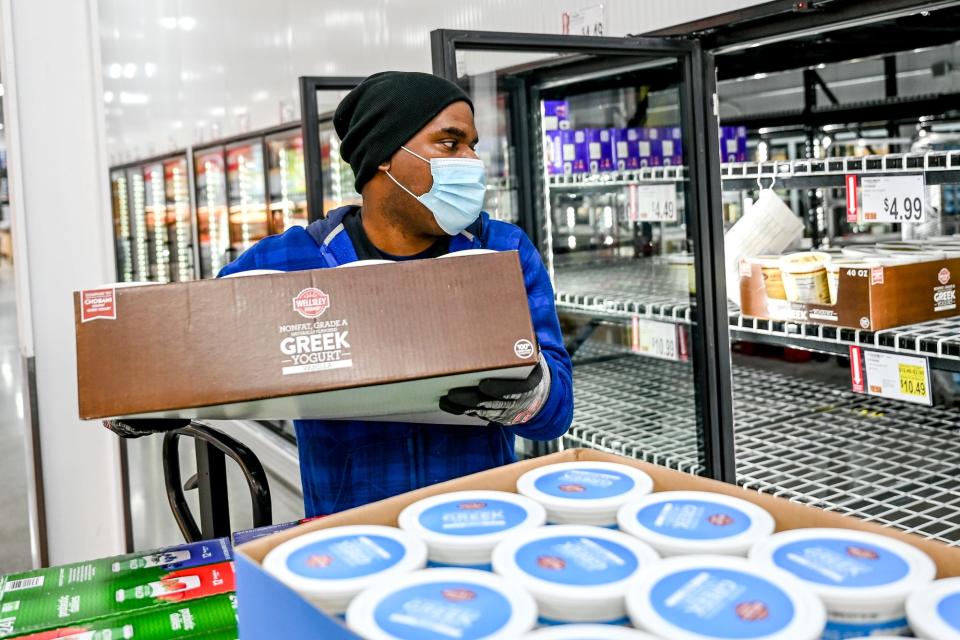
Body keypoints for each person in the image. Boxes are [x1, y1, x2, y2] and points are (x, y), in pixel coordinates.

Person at [109, 72, 574, 517]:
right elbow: (190, 346)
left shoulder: (502, 251)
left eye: (472, 146)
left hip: (477, 519)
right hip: (350, 530)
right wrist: (148, 398)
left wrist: (532, 394)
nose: (472, 162)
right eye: (450, 144)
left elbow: (557, 411)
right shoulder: (288, 263)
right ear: (384, 156)